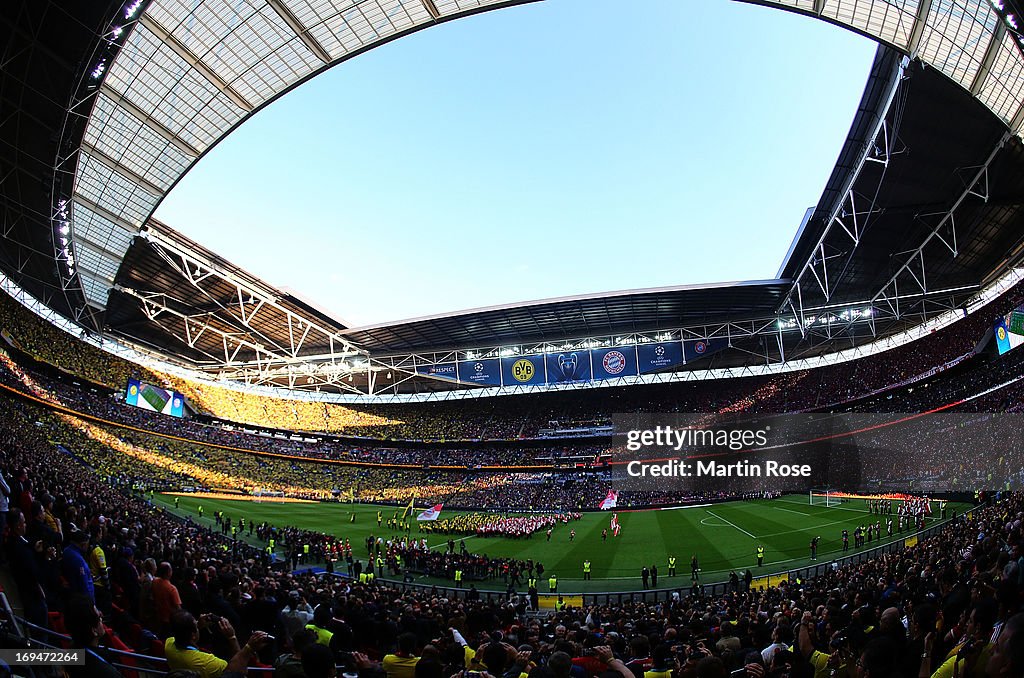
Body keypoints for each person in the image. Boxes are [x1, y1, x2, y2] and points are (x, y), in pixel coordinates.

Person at [164, 610, 268, 677]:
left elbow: (183, 634)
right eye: (195, 624)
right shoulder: (210, 663)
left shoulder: (168, 644)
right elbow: (237, 673)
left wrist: (198, 627)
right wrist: (233, 638)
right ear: (193, 635)